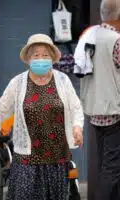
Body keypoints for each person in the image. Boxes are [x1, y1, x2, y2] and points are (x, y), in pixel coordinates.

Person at [0, 33, 84, 200]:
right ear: (28, 59)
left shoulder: (63, 80)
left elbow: (76, 108)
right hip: (27, 161)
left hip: (57, 160)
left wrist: (77, 128)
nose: (41, 59)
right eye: (36, 55)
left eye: (45, 55)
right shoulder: (18, 83)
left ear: (52, 58)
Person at [74, 0, 120, 199]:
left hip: (93, 112)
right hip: (114, 112)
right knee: (112, 169)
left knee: (104, 165)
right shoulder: (116, 41)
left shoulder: (87, 37)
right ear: (118, 15)